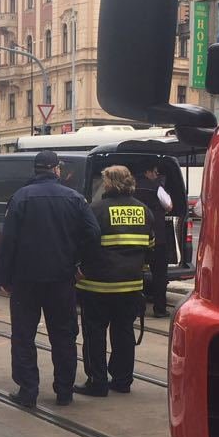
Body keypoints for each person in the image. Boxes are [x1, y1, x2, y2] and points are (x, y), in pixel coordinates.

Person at [0, 150, 100, 408]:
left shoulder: (20, 198)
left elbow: (7, 241)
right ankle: (64, 391)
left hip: (25, 281)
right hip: (62, 279)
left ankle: (28, 391)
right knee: (64, 336)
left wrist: (5, 277)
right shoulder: (75, 198)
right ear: (56, 170)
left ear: (35, 170)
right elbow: (93, 233)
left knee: (23, 336)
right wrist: (83, 267)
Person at [73, 166, 155, 396]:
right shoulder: (144, 211)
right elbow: (150, 247)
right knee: (124, 333)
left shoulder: (96, 210)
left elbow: (84, 246)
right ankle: (122, 380)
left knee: (94, 334)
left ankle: (97, 382)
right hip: (130, 286)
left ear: (108, 184)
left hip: (97, 286)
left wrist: (80, 269)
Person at [134, 163, 173, 317]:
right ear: (147, 172)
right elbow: (169, 205)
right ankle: (160, 309)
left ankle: (137, 309)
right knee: (159, 275)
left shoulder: (131, 187)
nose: (157, 176)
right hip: (157, 238)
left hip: (137, 237)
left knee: (137, 275)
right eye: (155, 172)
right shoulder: (157, 188)